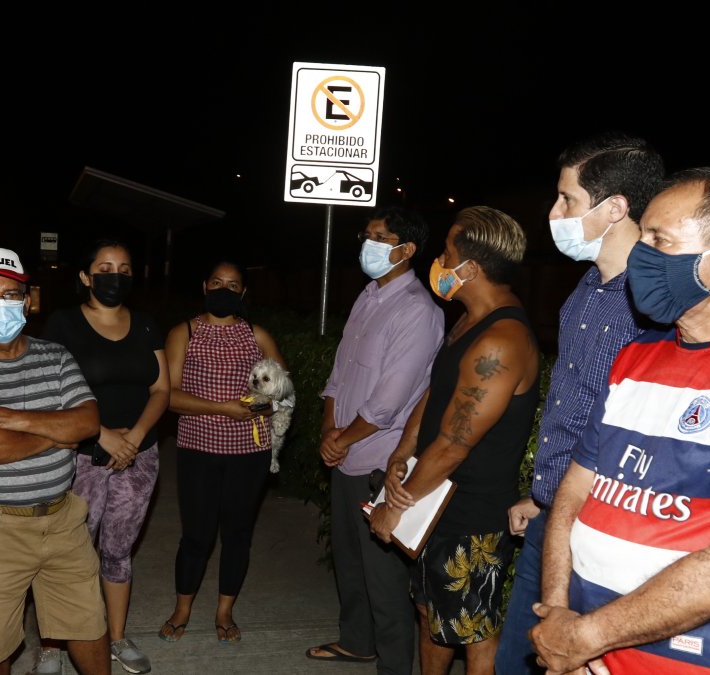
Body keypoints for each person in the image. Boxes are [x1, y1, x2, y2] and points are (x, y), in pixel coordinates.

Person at [529, 168, 710, 674]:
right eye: (641, 236)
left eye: (658, 240)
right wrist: (560, 619)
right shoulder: (636, 355)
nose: (638, 254)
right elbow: (573, 497)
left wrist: (585, 635)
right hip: (581, 652)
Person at [495, 132, 665, 674]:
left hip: (604, 531)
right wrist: (542, 494)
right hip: (554, 518)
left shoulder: (654, 308)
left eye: (567, 199)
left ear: (616, 207)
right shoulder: (586, 288)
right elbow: (576, 408)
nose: (555, 212)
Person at [369, 205, 539, 675]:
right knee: (431, 614)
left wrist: (394, 508)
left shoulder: (500, 340)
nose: (439, 262)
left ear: (471, 268)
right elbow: (437, 392)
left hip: (471, 514)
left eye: (446, 253)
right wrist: (403, 450)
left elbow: (453, 442)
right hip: (437, 502)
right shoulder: (468, 321)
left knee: (471, 628)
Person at [0, 247, 110, 675]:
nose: (1, 305)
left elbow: (87, 422)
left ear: (28, 301)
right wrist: (55, 435)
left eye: (10, 294)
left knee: (88, 625)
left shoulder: (57, 356)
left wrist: (22, 421)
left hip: (64, 520)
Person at [306, 205, 445, 674]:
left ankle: (392, 665)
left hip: (378, 462)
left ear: (405, 250)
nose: (367, 243)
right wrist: (330, 429)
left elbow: (388, 402)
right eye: (366, 234)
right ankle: (356, 641)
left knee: (384, 578)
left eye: (379, 237)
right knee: (349, 561)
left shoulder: (419, 313)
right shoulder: (369, 295)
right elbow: (339, 374)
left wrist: (342, 439)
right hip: (345, 452)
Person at [37, 238, 170, 674]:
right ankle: (53, 646)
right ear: (85, 276)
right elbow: (51, 392)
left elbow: (161, 389)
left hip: (140, 454)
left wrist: (135, 435)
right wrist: (102, 435)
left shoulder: (148, 324)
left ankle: (115, 637)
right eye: (106, 267)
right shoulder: (62, 324)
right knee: (69, 551)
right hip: (80, 455)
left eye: (125, 268)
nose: (116, 276)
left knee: (117, 550)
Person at [158, 258, 286, 646]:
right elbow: (169, 396)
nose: (224, 290)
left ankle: (225, 610)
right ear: (204, 286)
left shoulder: (257, 335)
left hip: (250, 450)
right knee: (197, 535)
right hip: (199, 448)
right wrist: (223, 408)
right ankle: (182, 608)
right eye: (217, 282)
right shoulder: (184, 333)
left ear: (243, 293)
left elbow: (282, 393)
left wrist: (257, 405)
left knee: (238, 534)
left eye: (233, 286)